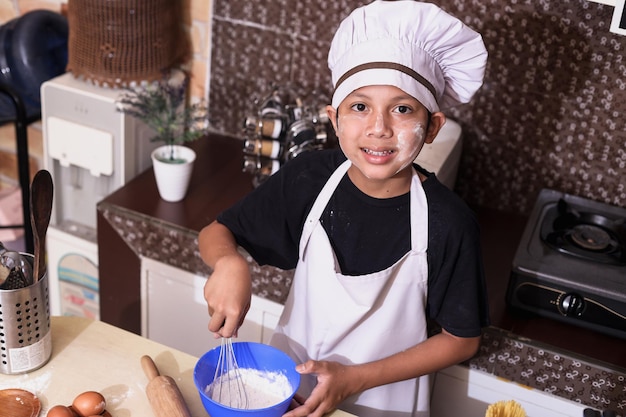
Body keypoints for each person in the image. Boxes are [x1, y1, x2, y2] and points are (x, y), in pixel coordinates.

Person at [198, 1, 489, 416]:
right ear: (335, 120)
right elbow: (215, 233)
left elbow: (462, 339)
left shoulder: (450, 223)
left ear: (432, 128)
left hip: (382, 402)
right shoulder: (311, 178)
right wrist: (229, 263)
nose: (378, 127)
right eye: (360, 106)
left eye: (403, 109)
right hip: (288, 391)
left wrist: (355, 378)